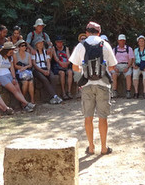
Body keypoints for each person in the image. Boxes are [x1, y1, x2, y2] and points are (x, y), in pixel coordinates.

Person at [69, 22, 117, 155]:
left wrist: (84, 70)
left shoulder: (81, 45)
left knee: (88, 117)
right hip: (103, 84)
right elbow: (112, 67)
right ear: (99, 32)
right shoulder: (105, 44)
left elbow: (74, 67)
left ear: (86, 31)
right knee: (103, 117)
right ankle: (103, 147)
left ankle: (91, 147)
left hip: (87, 85)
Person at [0, 42, 35, 112]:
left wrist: (13, 77)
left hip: (9, 74)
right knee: (14, 90)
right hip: (1, 76)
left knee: (18, 90)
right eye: (11, 50)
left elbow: (12, 68)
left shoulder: (10, 57)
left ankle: (24, 105)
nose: (12, 52)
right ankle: (27, 103)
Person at [32, 40, 63, 104]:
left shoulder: (45, 52)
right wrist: (43, 71)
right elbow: (34, 64)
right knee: (44, 79)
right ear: (36, 45)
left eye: (41, 43)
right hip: (38, 69)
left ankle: (52, 98)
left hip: (46, 68)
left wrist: (48, 70)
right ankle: (55, 96)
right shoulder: (34, 53)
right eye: (39, 43)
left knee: (53, 77)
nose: (40, 45)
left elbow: (48, 62)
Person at [51, 36, 75, 100]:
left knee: (70, 72)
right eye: (58, 42)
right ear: (56, 42)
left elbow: (69, 57)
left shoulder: (65, 48)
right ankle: (63, 92)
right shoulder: (54, 48)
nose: (60, 43)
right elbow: (56, 58)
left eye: (61, 42)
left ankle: (69, 91)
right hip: (57, 66)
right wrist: (61, 63)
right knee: (62, 73)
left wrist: (67, 63)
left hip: (66, 65)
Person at [111, 34, 134, 98]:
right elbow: (112, 59)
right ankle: (114, 91)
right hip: (117, 65)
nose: (122, 42)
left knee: (128, 75)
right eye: (121, 40)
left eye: (123, 40)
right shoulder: (114, 49)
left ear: (125, 41)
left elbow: (130, 59)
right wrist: (114, 67)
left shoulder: (129, 49)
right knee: (114, 74)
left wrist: (128, 67)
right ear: (118, 41)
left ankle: (128, 92)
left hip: (126, 65)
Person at [13, 39, 35, 104]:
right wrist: (21, 68)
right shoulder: (15, 55)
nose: (24, 47)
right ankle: (23, 100)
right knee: (25, 82)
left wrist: (25, 67)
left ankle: (32, 99)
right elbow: (15, 65)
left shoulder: (28, 54)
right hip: (19, 71)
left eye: (25, 46)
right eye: (22, 46)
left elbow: (30, 64)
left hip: (27, 70)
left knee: (30, 82)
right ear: (19, 47)